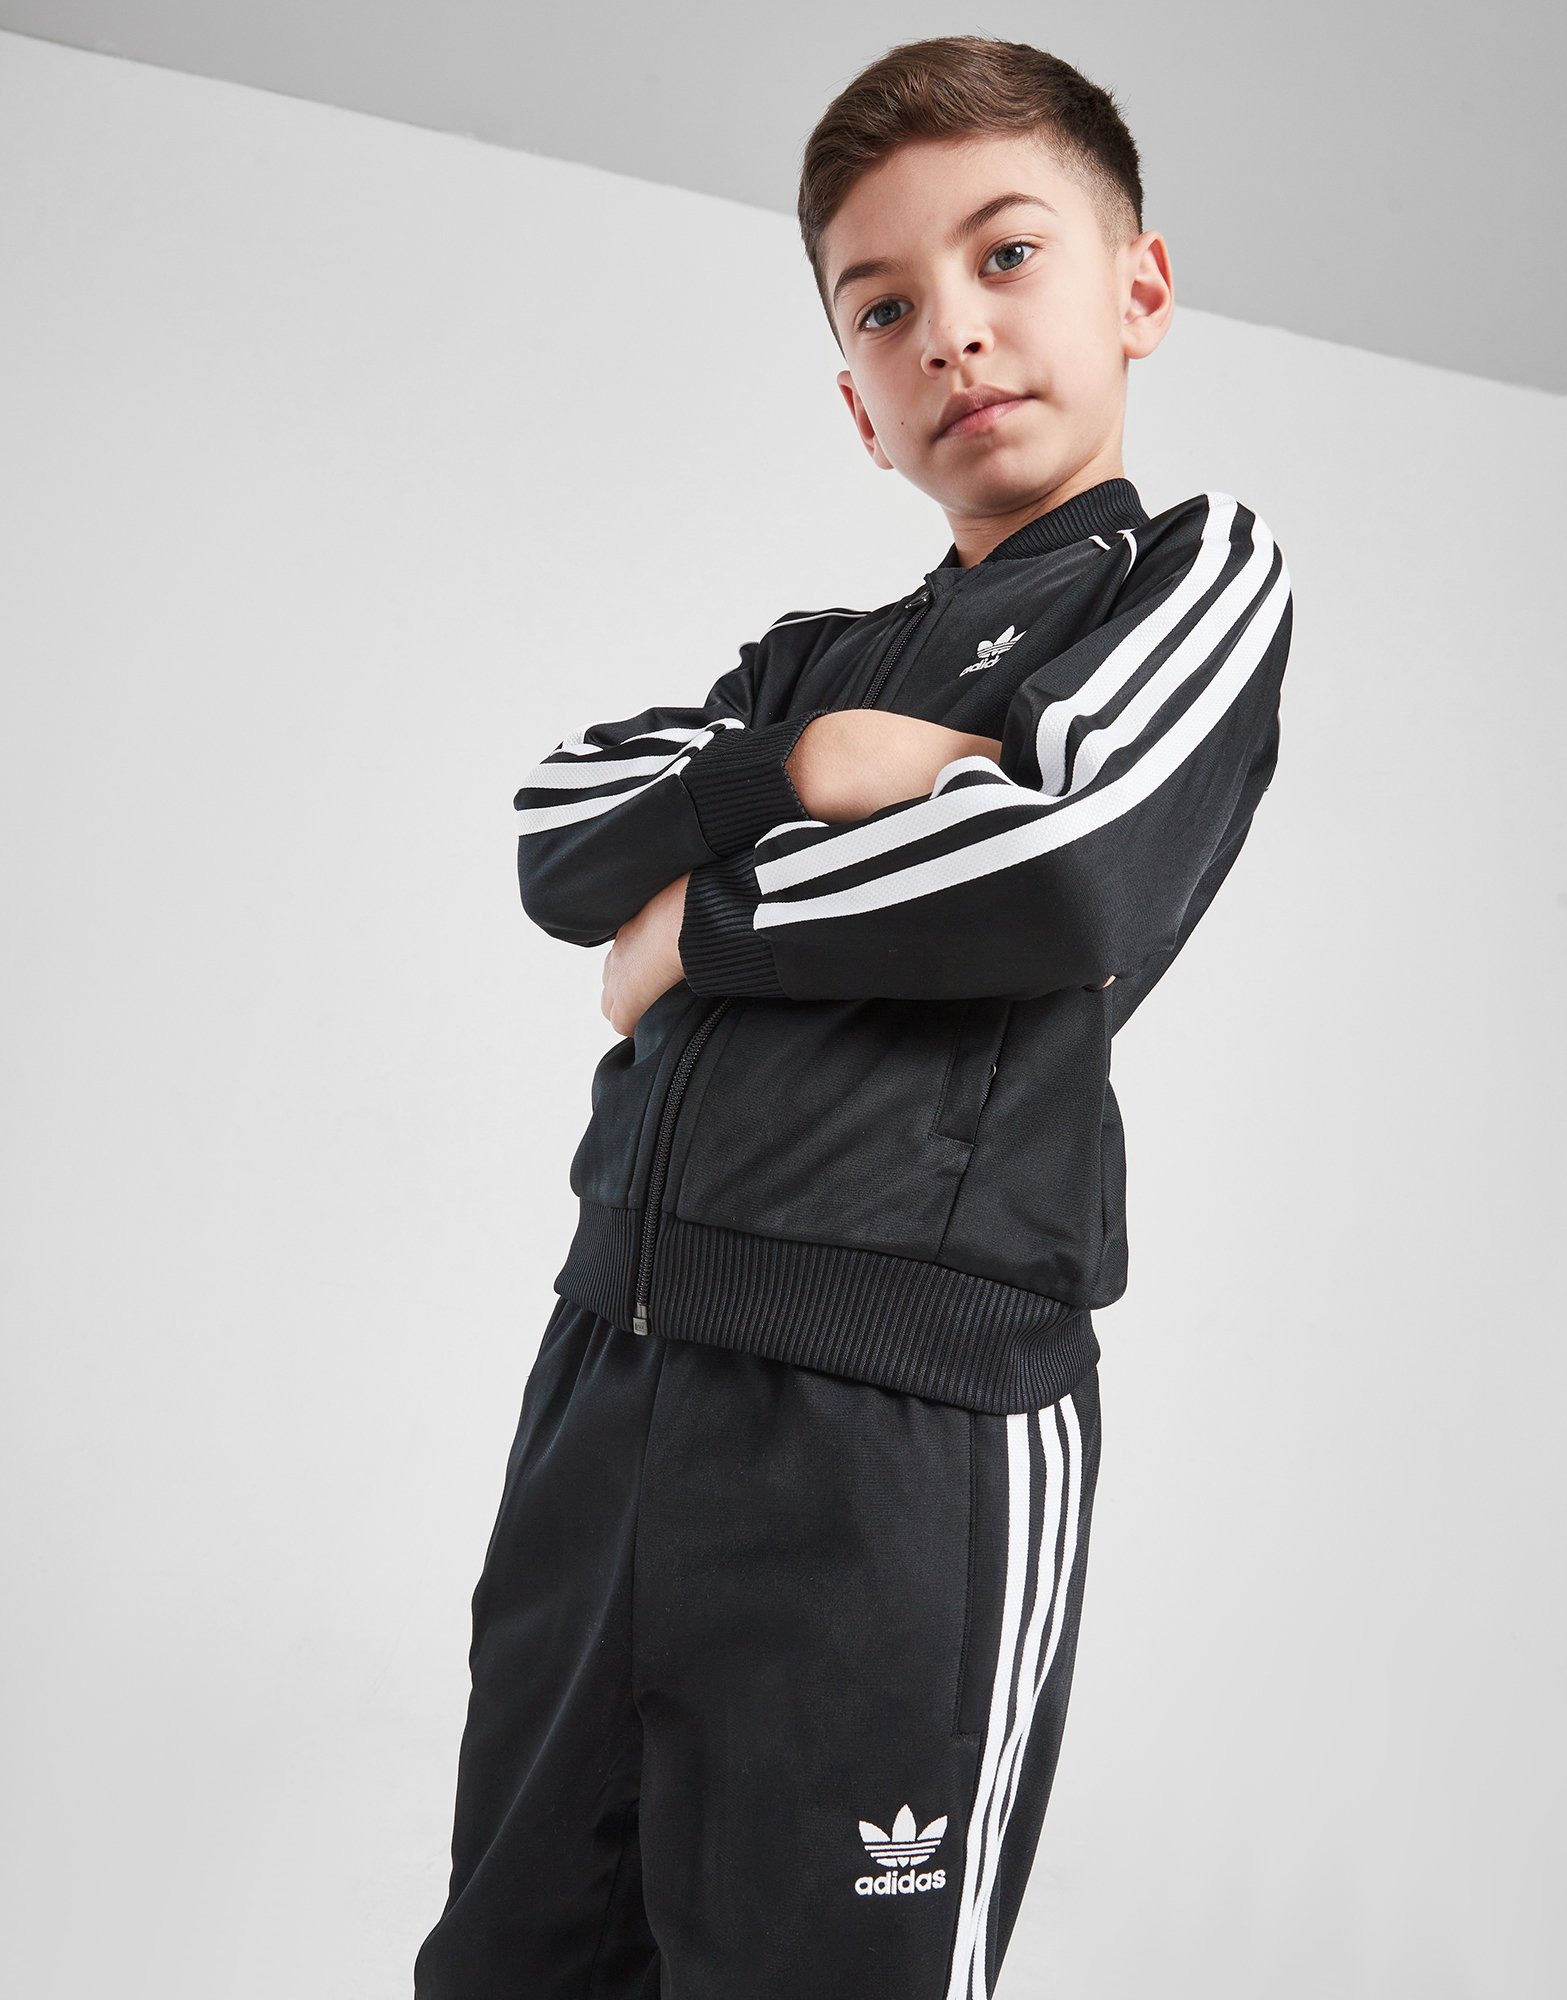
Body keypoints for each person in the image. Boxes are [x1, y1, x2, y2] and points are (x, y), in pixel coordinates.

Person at [414, 32, 1292, 2000]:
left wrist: (700, 929)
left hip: (899, 1429)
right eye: (883, 308)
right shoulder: (802, 668)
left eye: (1008, 256)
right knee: (504, 1962)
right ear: (856, 406)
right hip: (609, 1383)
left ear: (1139, 286)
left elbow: (1065, 858)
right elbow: (558, 827)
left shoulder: (1191, 576)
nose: (951, 331)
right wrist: (802, 764)